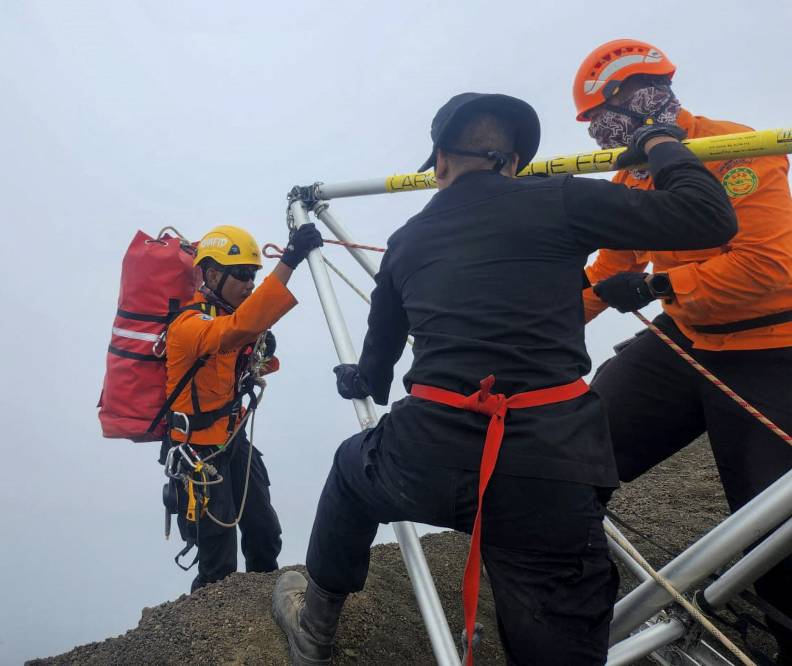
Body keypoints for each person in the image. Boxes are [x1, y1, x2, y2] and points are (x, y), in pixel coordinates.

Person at [272, 92, 737, 665]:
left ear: (439, 161)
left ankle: (314, 629)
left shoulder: (406, 241)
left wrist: (357, 380)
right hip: (547, 472)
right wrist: (659, 142)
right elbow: (710, 217)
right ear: (514, 162)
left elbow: (377, 369)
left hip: (424, 461)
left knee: (350, 469)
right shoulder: (561, 198)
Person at [575, 39, 792, 661]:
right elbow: (609, 268)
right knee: (575, 452)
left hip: (771, 346)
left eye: (599, 119)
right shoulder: (634, 175)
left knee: (772, 526)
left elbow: (767, 267)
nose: (597, 133)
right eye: (591, 125)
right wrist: (538, 323)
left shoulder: (736, 148)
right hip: (685, 339)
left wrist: (656, 285)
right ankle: (574, 605)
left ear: (632, 99)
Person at [163, 223, 322, 592]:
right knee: (218, 560)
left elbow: (245, 348)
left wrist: (261, 351)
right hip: (197, 455)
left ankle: (265, 617)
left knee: (264, 533)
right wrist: (289, 261)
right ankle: (212, 631)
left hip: (232, 443)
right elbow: (233, 331)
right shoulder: (190, 325)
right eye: (242, 275)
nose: (250, 283)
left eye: (253, 274)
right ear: (213, 274)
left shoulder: (225, 320)